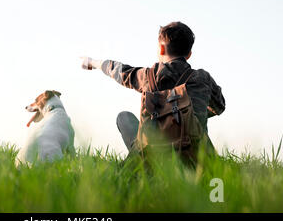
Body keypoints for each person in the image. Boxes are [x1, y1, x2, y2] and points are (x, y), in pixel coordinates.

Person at [81, 21, 225, 164]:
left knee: (123, 117)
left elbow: (118, 70)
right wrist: (191, 111)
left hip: (153, 159)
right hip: (194, 159)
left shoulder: (148, 76)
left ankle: (138, 159)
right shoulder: (202, 78)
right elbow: (220, 107)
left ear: (161, 49)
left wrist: (93, 63)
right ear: (189, 54)